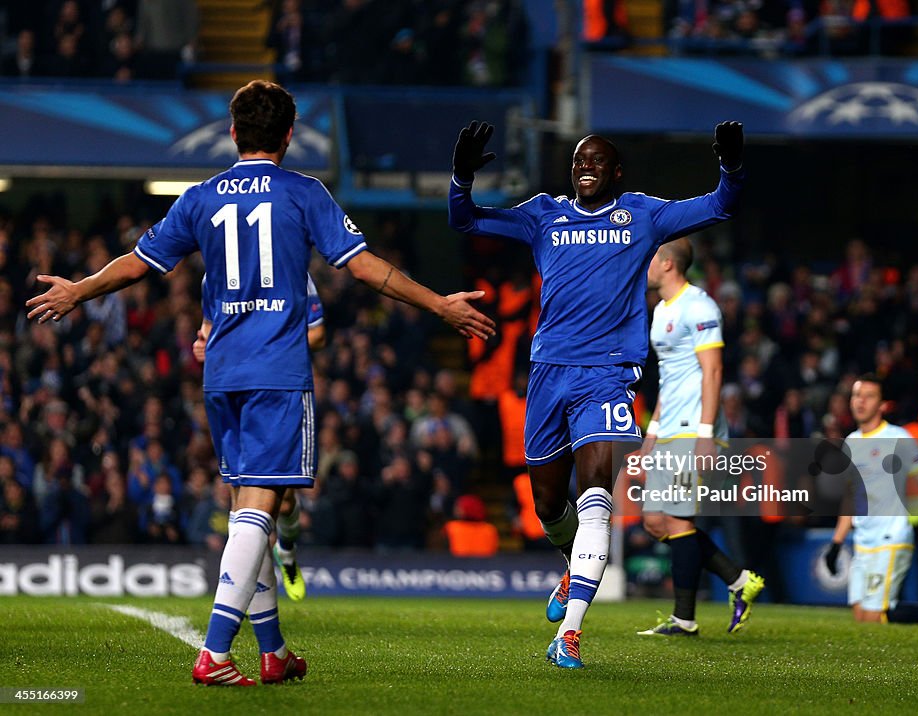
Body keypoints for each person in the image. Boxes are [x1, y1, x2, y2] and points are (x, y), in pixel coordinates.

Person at [28, 79, 495, 686]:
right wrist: (438, 305)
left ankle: (272, 650)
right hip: (277, 369)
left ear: (232, 133)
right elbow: (365, 268)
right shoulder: (303, 193)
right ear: (290, 135)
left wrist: (78, 288)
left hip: (221, 371)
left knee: (251, 504)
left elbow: (138, 263)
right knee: (259, 506)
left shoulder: (200, 196)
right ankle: (216, 652)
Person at [448, 119, 744, 667]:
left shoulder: (643, 214)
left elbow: (721, 205)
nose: (585, 168)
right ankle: (571, 566)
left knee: (596, 499)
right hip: (547, 373)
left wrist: (730, 166)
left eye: (596, 161)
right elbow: (464, 219)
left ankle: (572, 633)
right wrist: (461, 176)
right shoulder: (542, 214)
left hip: (607, 375)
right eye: (579, 161)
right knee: (547, 504)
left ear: (617, 172)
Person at [636, 237, 764, 637]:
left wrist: (707, 434)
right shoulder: (660, 312)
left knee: (677, 518)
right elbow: (670, 381)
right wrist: (650, 436)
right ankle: (738, 580)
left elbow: (713, 371)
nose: (647, 265)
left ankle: (684, 619)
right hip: (670, 425)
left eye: (652, 258)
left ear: (669, 264)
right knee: (656, 521)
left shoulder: (700, 306)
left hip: (695, 427)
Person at [193, 271, 326, 601]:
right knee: (242, 495)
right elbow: (210, 333)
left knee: (283, 499)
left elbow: (318, 334)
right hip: (233, 393)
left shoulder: (294, 272)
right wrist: (206, 344)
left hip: (278, 391)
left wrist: (262, 350)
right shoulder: (217, 273)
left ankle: (288, 550)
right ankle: (253, 621)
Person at [823, 374, 918, 626]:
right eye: (856, 395)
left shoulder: (899, 438)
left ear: (883, 404)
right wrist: (836, 542)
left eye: (869, 396)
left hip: (892, 536)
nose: (860, 402)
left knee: (876, 616)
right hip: (863, 540)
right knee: (861, 616)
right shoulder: (851, 442)